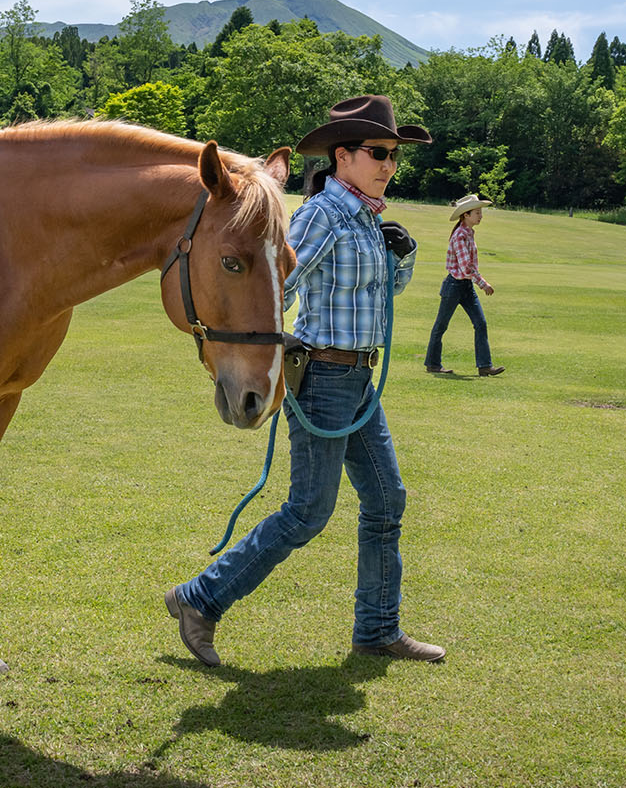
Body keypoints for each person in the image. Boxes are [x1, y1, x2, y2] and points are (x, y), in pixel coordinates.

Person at [164, 95, 447, 667]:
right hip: (322, 376)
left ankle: (376, 628)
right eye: (378, 153)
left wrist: (401, 260)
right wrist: (274, 341)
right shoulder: (323, 214)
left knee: (387, 500)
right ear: (343, 156)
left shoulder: (366, 214)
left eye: (393, 155)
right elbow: (280, 290)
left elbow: (380, 299)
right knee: (308, 512)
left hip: (359, 378)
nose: (388, 164)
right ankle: (198, 599)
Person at [424, 194, 505, 377]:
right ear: (466, 215)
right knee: (441, 326)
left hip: (465, 287)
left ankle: (485, 366)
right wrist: (483, 284)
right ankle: (433, 364)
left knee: (480, 323)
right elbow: (466, 267)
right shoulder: (461, 235)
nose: (480, 216)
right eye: (477, 212)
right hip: (455, 286)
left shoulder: (468, 233)